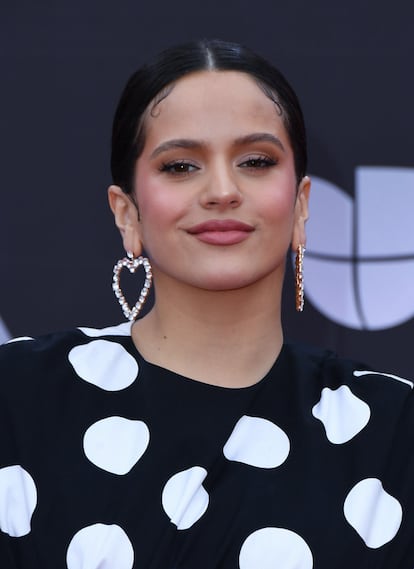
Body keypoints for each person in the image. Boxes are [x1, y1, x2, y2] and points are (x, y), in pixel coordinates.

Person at [0, 39, 413, 569]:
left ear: (302, 205)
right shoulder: (19, 400)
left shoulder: (392, 431)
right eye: (180, 166)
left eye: (256, 161)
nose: (222, 190)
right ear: (127, 213)